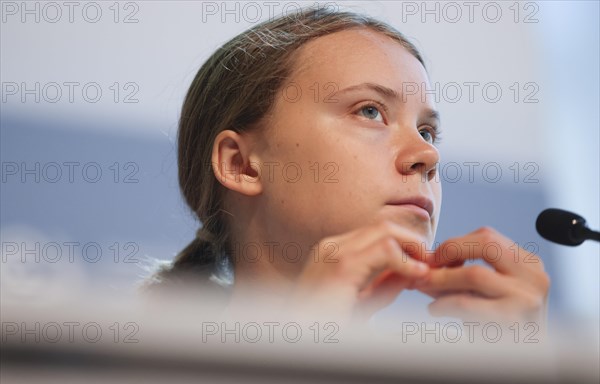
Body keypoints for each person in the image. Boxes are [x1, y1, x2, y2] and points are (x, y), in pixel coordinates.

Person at [144, 6, 550, 327]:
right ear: (242, 165)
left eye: (427, 131)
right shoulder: (140, 371)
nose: (428, 156)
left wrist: (526, 375)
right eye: (370, 111)